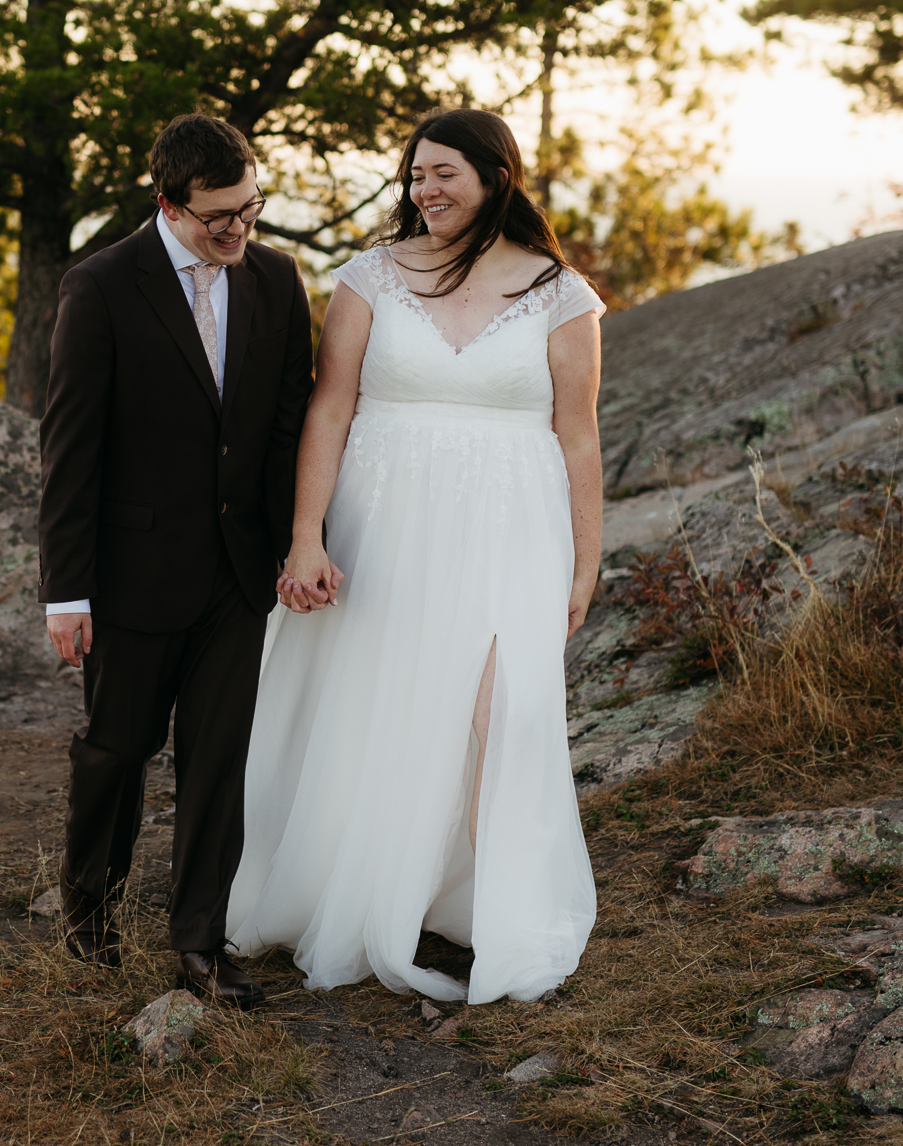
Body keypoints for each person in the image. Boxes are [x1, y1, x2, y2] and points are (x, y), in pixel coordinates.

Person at [225, 107, 601, 1004]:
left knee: (497, 715)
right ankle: (364, 888)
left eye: (445, 175)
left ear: (496, 178)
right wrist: (305, 534)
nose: (424, 191)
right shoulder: (371, 277)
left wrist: (585, 567)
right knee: (377, 704)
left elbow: (578, 437)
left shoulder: (563, 294)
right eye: (416, 175)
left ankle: (502, 912)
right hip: (380, 527)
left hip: (512, 535)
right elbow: (329, 408)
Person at [37, 113, 314, 1008]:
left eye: (251, 208)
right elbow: (71, 448)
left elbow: (284, 427)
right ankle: (91, 918)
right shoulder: (103, 285)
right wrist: (65, 592)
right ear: (168, 203)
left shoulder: (275, 277)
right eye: (218, 218)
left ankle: (200, 944)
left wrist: (291, 543)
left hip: (239, 576)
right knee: (115, 752)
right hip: (129, 576)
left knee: (217, 762)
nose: (239, 231)